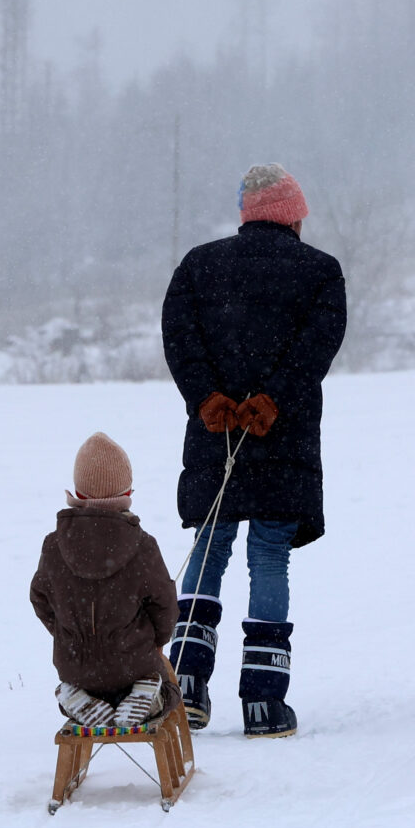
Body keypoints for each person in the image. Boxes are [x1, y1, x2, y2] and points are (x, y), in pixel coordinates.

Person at [158, 163, 347, 738]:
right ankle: (264, 702)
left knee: (210, 544)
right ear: (292, 214)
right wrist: (273, 399)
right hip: (282, 435)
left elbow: (178, 338)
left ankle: (186, 685)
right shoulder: (320, 272)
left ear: (246, 212)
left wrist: (207, 398)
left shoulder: (198, 266)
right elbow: (318, 348)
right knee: (269, 554)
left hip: (216, 436)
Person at [30, 432, 181, 731]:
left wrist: (66, 634)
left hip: (75, 665)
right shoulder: (142, 545)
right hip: (133, 665)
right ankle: (148, 698)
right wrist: (156, 641)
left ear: (77, 493)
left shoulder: (53, 545)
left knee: (81, 681)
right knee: (171, 689)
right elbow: (165, 605)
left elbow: (40, 599)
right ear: (127, 494)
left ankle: (75, 695)